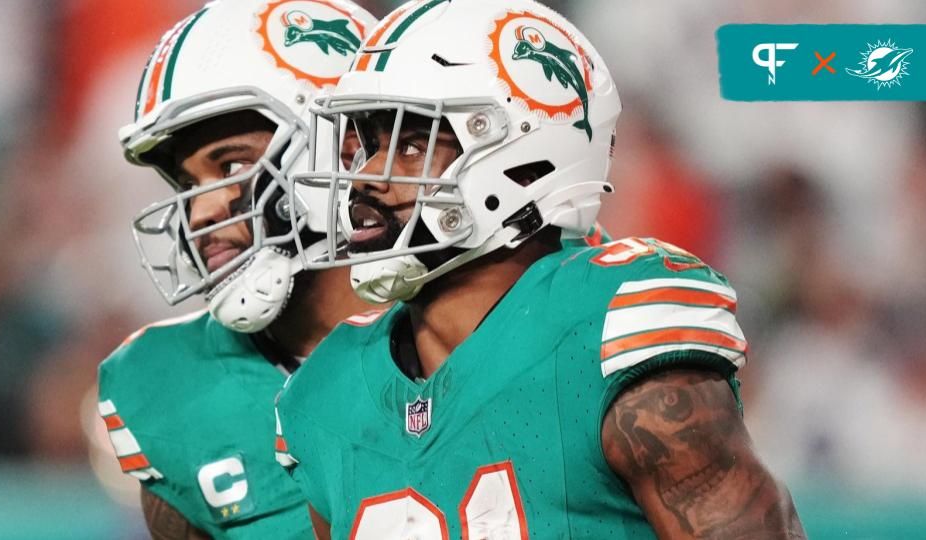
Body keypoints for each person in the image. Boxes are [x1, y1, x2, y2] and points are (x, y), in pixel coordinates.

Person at [275, 0, 806, 538]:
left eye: (412, 145)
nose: (366, 179)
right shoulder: (328, 392)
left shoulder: (606, 331)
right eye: (366, 148)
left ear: (524, 158)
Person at [96, 1, 378, 538]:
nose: (199, 212)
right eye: (187, 183)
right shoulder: (173, 390)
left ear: (344, 149)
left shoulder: (494, 318)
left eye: (231, 165)